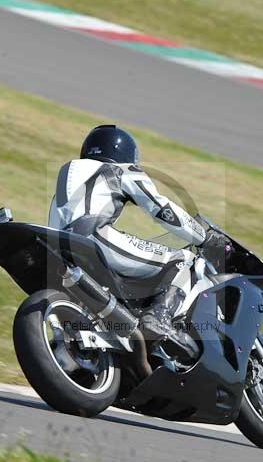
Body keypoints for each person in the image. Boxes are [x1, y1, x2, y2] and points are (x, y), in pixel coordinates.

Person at [48, 125, 208, 365]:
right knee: (184, 260)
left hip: (58, 249)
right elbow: (161, 209)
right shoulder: (120, 169)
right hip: (93, 238)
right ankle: (159, 317)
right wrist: (202, 236)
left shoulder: (69, 175)